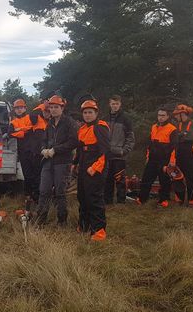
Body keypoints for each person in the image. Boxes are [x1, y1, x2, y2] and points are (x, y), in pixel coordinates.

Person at [36, 95, 78, 225]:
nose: (53, 109)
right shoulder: (49, 124)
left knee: (60, 192)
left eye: (56, 107)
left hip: (63, 162)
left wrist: (56, 149)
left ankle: (62, 221)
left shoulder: (69, 123)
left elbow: (73, 142)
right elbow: (43, 140)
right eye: (51, 107)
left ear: (62, 108)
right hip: (48, 161)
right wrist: (43, 149)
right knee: (44, 191)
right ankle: (40, 220)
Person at [73, 99, 110, 241]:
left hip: (95, 167)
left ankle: (99, 230)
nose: (87, 115)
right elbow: (80, 149)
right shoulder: (82, 129)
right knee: (82, 196)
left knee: (94, 198)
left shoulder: (100, 127)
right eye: (85, 113)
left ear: (96, 113)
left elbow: (105, 151)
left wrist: (95, 168)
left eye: (90, 112)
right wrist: (75, 164)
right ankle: (84, 225)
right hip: (84, 165)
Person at [137, 107, 178, 207]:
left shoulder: (172, 129)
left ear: (167, 116)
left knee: (164, 180)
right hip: (153, 158)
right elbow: (150, 144)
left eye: (163, 115)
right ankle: (142, 199)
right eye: (159, 115)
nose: (160, 117)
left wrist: (172, 161)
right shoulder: (154, 127)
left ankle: (163, 200)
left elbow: (174, 147)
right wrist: (148, 156)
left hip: (164, 159)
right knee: (146, 178)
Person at [9, 98, 46, 205]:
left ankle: (37, 198)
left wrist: (20, 130)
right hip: (23, 153)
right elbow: (10, 133)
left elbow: (39, 127)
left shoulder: (31, 117)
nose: (19, 110)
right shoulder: (13, 122)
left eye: (21, 107)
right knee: (27, 175)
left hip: (35, 152)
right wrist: (24, 131)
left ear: (25, 108)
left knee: (37, 175)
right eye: (17, 108)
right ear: (14, 110)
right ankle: (29, 196)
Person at [105, 95, 135, 204]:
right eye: (113, 104)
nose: (115, 106)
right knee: (107, 179)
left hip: (119, 155)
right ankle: (107, 201)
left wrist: (124, 151)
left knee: (120, 179)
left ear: (120, 104)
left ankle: (121, 202)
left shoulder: (125, 119)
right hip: (107, 154)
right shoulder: (104, 118)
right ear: (110, 104)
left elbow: (131, 137)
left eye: (117, 104)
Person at [172, 104, 193, 205]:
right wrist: (182, 134)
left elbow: (192, 137)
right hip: (178, 151)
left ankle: (192, 199)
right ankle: (179, 198)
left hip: (189, 152)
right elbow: (174, 138)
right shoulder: (177, 124)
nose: (175, 116)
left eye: (177, 114)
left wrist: (180, 136)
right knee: (177, 175)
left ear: (182, 113)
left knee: (190, 176)